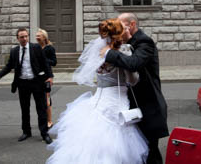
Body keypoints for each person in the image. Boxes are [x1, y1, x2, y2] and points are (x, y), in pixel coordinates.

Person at [46, 18, 148, 164]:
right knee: (117, 147)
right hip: (116, 103)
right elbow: (132, 80)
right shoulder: (123, 50)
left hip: (97, 102)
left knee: (90, 146)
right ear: (118, 33)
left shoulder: (98, 51)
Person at [102, 13, 169, 164]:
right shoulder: (124, 44)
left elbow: (134, 64)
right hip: (130, 106)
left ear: (131, 25)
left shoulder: (144, 42)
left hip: (148, 107)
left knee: (150, 153)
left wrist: (109, 53)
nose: (118, 30)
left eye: (121, 25)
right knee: (134, 153)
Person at [0, 28, 53, 144]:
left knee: (42, 108)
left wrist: (50, 77)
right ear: (17, 38)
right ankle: (26, 132)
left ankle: (44, 133)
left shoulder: (36, 48)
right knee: (25, 109)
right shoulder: (14, 51)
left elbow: (45, 63)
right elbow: (9, 66)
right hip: (22, 83)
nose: (24, 39)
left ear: (28, 36)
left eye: (26, 36)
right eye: (21, 37)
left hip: (36, 82)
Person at [36, 28, 57, 128]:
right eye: (36, 36)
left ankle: (49, 120)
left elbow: (54, 62)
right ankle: (43, 119)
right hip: (37, 76)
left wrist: (44, 60)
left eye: (38, 36)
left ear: (44, 37)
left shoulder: (49, 48)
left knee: (47, 99)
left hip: (47, 76)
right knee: (40, 99)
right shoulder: (35, 47)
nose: (37, 37)